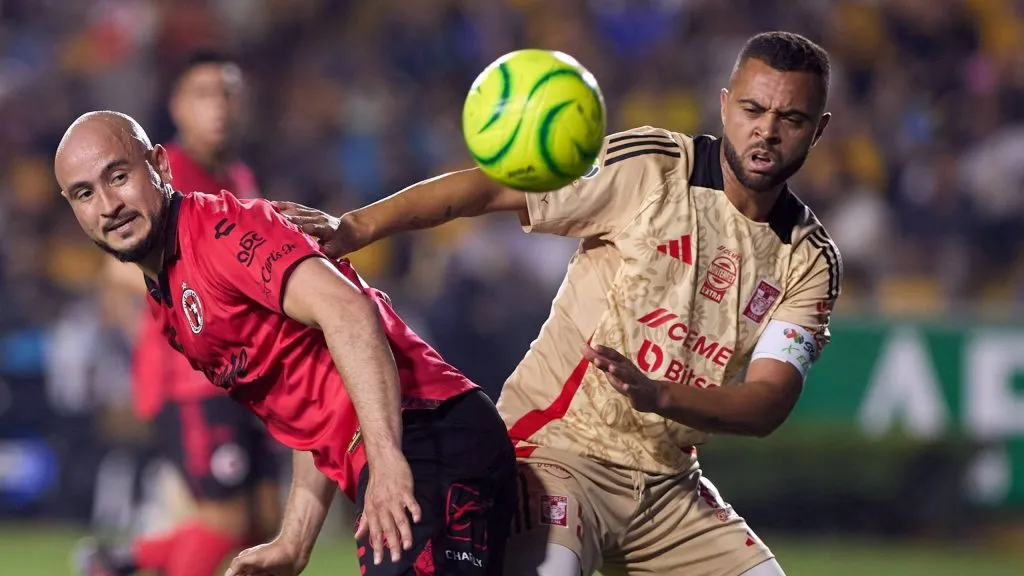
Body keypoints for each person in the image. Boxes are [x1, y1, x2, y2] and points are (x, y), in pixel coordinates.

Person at [279, 30, 842, 576]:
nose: (766, 130)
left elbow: (766, 403)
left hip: (672, 486)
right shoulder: (654, 169)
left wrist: (657, 394)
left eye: (789, 118)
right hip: (556, 454)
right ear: (725, 107)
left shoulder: (811, 259)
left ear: (817, 131)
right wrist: (356, 225)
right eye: (752, 109)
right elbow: (491, 188)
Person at [54, 110, 517, 576]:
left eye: (118, 176)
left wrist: (387, 460)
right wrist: (295, 541)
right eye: (85, 193)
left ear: (160, 165)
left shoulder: (224, 232)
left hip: (430, 431)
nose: (108, 204)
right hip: (412, 445)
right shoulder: (169, 304)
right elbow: (308, 411)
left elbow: (350, 311)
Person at [75, 51, 283, 576]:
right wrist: (163, 337)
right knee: (224, 521)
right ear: (178, 108)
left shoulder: (238, 175)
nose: (220, 107)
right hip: (193, 381)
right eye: (204, 94)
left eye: (229, 93)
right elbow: (115, 269)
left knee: (263, 522)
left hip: (243, 375)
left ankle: (116, 561)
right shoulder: (163, 175)